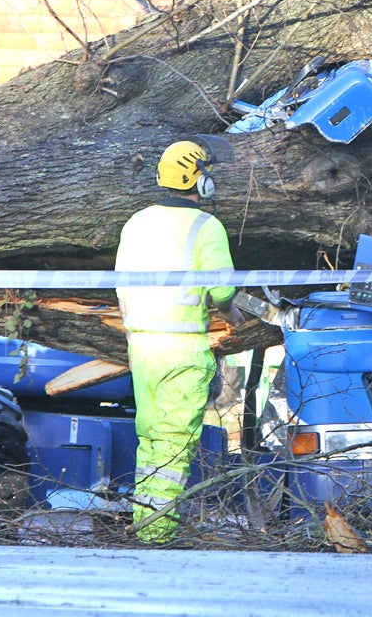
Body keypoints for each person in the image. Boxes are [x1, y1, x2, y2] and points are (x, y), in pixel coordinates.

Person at [115, 138, 244, 544]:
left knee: (150, 436)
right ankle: (157, 533)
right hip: (182, 347)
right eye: (208, 173)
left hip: (142, 346)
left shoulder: (136, 222)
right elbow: (222, 287)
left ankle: (144, 521)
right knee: (173, 443)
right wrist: (230, 311)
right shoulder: (207, 226)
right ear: (198, 180)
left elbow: (120, 283)